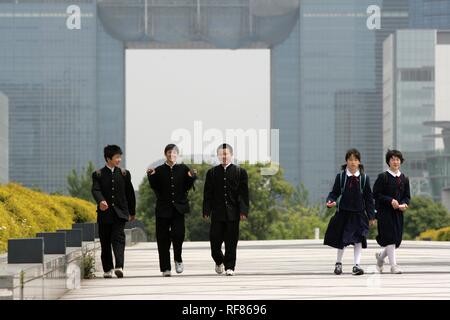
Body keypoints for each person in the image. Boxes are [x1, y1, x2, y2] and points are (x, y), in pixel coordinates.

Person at [324, 148, 376, 276]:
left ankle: (356, 265)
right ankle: (338, 264)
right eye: (350, 159)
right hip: (344, 213)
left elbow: (369, 198)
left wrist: (371, 216)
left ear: (359, 162)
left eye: (355, 159)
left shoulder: (364, 178)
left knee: (359, 239)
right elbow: (334, 193)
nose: (353, 162)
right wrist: (330, 201)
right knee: (342, 240)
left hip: (359, 214)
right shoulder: (341, 177)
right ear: (346, 161)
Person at [147, 144, 197, 277]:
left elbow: (187, 186)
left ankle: (178, 259)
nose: (171, 155)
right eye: (169, 152)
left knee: (179, 235)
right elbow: (155, 187)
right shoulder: (159, 170)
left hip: (178, 209)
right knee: (162, 238)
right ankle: (165, 268)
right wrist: (150, 176)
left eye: (174, 153)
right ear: (165, 154)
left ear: (177, 154)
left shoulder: (183, 168)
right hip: (163, 209)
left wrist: (192, 176)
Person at [203, 143, 249, 276]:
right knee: (214, 244)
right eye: (221, 154)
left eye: (226, 154)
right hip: (217, 214)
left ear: (231, 155)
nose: (224, 156)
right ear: (218, 156)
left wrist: (243, 211)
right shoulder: (211, 173)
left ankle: (230, 267)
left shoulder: (240, 172)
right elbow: (208, 193)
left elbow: (244, 194)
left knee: (231, 243)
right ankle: (219, 261)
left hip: (233, 214)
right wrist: (206, 210)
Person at [91, 145, 136, 278]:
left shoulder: (124, 174)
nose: (119, 160)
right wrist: (100, 201)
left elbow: (130, 194)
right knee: (105, 242)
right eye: (117, 157)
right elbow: (95, 190)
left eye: (120, 157)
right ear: (108, 158)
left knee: (118, 239)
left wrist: (132, 212)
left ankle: (119, 266)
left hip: (120, 214)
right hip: (104, 214)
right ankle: (107, 269)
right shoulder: (98, 174)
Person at [373, 149, 410, 274]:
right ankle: (394, 266)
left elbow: (407, 196)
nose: (395, 162)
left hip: (398, 213)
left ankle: (380, 257)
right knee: (390, 238)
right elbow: (376, 194)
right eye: (393, 159)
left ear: (401, 162)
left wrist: (404, 204)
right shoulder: (383, 177)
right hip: (384, 213)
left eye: (398, 159)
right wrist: (390, 200)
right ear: (388, 161)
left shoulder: (404, 178)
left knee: (396, 240)